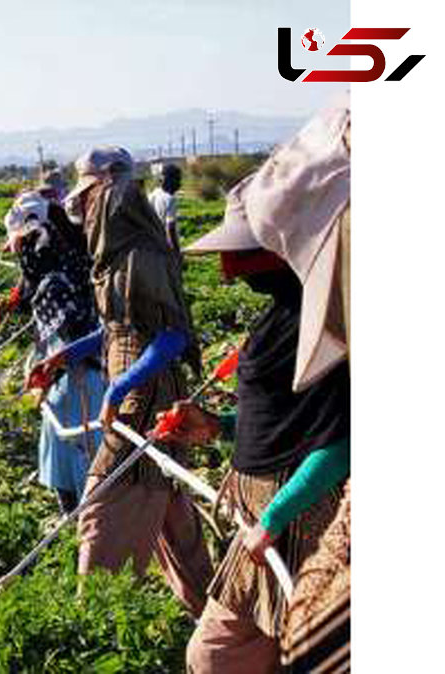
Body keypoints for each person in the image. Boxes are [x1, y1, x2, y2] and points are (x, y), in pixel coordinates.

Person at [172, 99, 352, 674]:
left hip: (306, 527)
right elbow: (286, 421)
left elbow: (344, 439)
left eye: (239, 253)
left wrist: (277, 514)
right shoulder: (281, 314)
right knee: (216, 658)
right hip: (268, 523)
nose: (226, 270)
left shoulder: (328, 318)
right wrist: (220, 428)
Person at [28, 146, 212, 618]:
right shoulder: (114, 256)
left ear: (111, 192)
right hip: (137, 390)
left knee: (102, 506)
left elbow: (172, 337)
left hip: (146, 400)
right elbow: (116, 329)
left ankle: (98, 622)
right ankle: (216, 615)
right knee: (168, 509)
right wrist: (61, 358)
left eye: (89, 199)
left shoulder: (140, 256)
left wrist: (118, 386)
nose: (83, 211)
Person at [0, 189, 103, 513]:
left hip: (80, 385)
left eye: (17, 246)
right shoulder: (66, 257)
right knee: (71, 458)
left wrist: (48, 370)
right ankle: (79, 530)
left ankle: (84, 536)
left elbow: (72, 341)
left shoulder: (53, 282)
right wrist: (12, 302)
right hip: (76, 382)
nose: (17, 254)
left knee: (81, 465)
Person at [149, 164, 183, 251]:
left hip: (153, 244)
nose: (179, 183)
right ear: (170, 180)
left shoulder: (153, 194)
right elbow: (170, 228)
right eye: (178, 179)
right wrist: (176, 252)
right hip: (166, 247)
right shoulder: (170, 199)